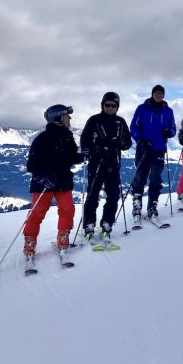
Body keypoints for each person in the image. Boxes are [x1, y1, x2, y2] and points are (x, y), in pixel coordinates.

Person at [23, 104, 82, 265]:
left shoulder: (68, 137)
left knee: (67, 209)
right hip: (43, 184)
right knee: (37, 213)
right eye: (67, 116)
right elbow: (31, 165)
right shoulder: (42, 139)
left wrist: (83, 155)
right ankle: (30, 242)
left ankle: (63, 237)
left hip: (63, 180)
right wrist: (42, 178)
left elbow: (72, 157)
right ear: (58, 118)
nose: (69, 118)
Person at [79, 92, 132, 243]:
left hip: (114, 163)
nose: (110, 108)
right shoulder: (94, 120)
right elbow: (85, 140)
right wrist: (91, 149)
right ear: (102, 105)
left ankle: (107, 222)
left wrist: (121, 143)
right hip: (96, 163)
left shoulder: (120, 122)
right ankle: (89, 224)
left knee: (113, 195)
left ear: (117, 107)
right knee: (92, 195)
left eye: (113, 106)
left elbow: (127, 142)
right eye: (107, 105)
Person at [129, 85, 176, 223]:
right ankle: (137, 206)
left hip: (159, 149)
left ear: (163, 95)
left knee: (156, 178)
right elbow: (133, 126)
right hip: (144, 148)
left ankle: (152, 205)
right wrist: (140, 140)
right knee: (140, 176)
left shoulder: (168, 111)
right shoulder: (142, 108)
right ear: (152, 94)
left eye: (161, 93)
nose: (158, 95)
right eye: (156, 93)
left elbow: (173, 128)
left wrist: (170, 132)